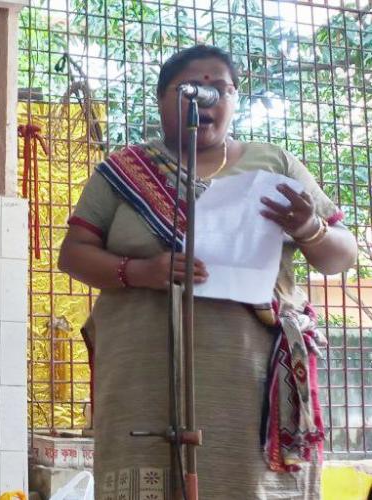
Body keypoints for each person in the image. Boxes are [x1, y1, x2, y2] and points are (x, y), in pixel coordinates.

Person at [58, 45, 357, 499]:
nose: (207, 98)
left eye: (220, 87)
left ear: (234, 100)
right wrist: (139, 270)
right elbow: (73, 254)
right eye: (191, 88)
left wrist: (309, 227)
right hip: (144, 372)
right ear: (163, 100)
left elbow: (341, 256)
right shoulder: (122, 172)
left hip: (249, 376)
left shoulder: (273, 165)